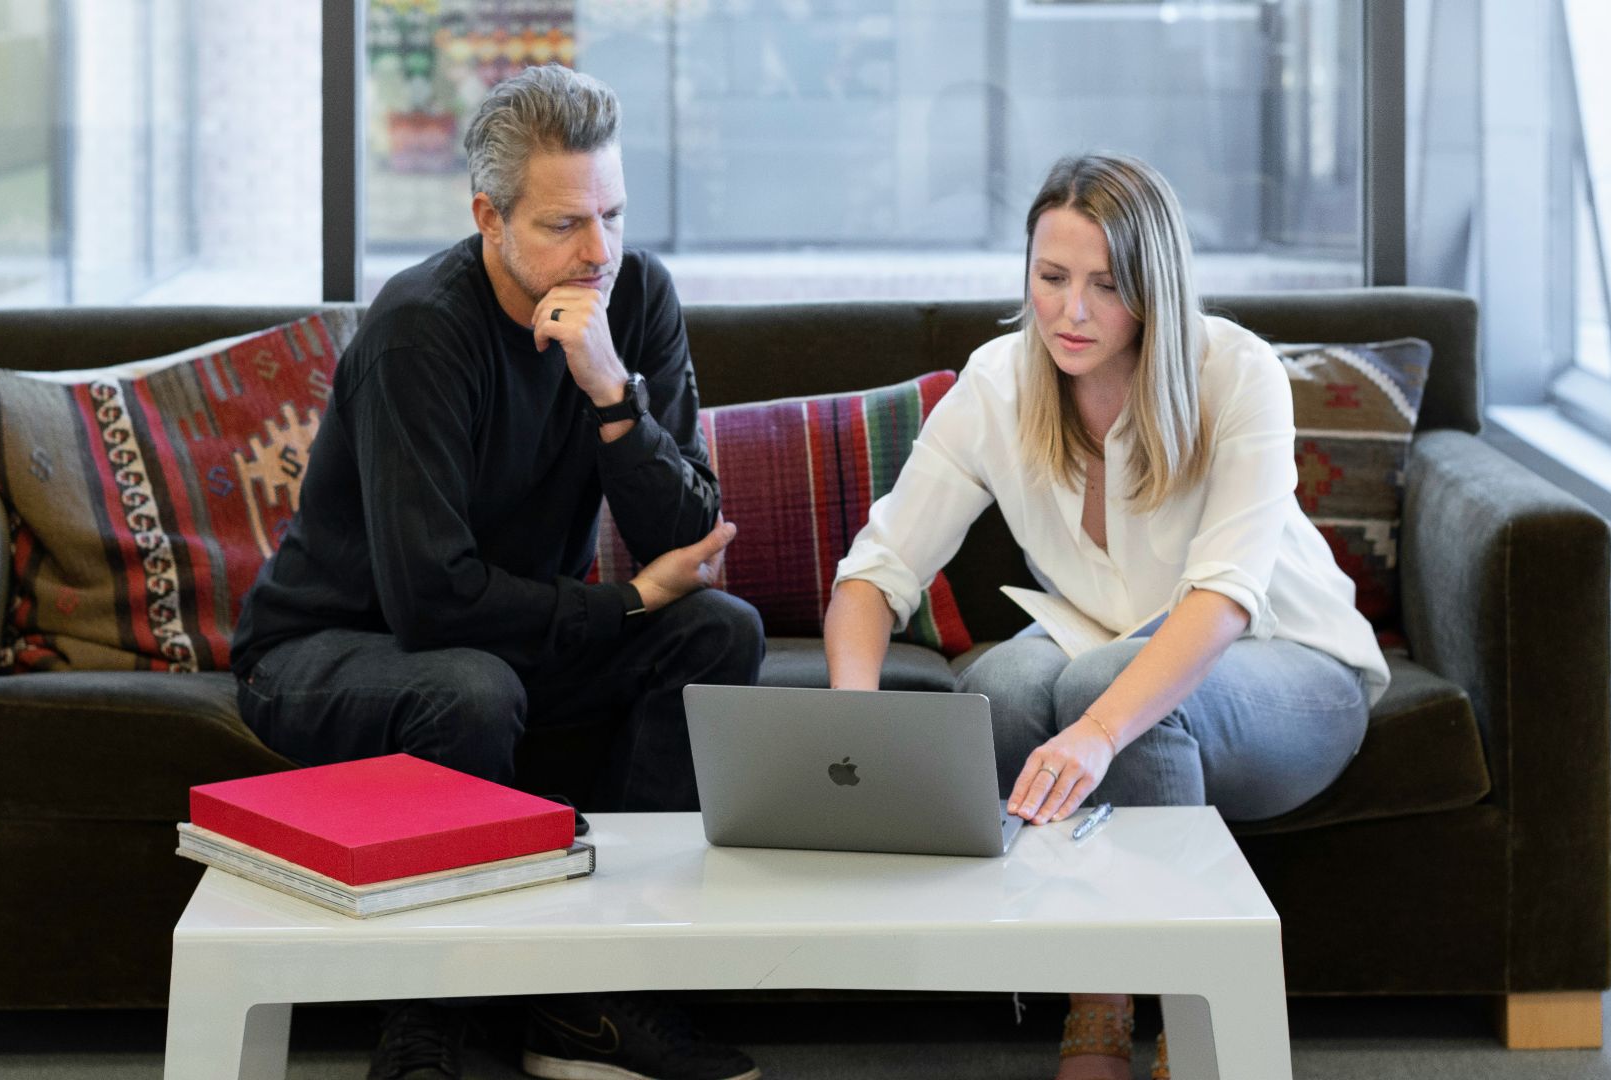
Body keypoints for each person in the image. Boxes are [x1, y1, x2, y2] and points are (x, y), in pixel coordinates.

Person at [231, 65, 764, 1080]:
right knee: (471, 691)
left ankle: (596, 995)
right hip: (328, 647)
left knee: (718, 634)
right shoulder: (420, 330)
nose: (598, 250)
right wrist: (624, 602)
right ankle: (432, 1017)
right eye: (565, 224)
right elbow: (431, 601)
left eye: (613, 214)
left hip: (508, 641)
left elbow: (692, 536)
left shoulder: (634, 295)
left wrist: (611, 392)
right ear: (489, 216)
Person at [821, 153, 1389, 1080]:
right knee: (1001, 684)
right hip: (1106, 644)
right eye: (1051, 278)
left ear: (1154, 289)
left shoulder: (1235, 370)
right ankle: (1096, 990)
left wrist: (1097, 730)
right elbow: (875, 574)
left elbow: (1224, 598)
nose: (1071, 312)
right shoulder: (998, 383)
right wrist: (855, 722)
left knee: (1102, 682)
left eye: (1107, 285)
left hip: (1295, 664)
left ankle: (1186, 1022)